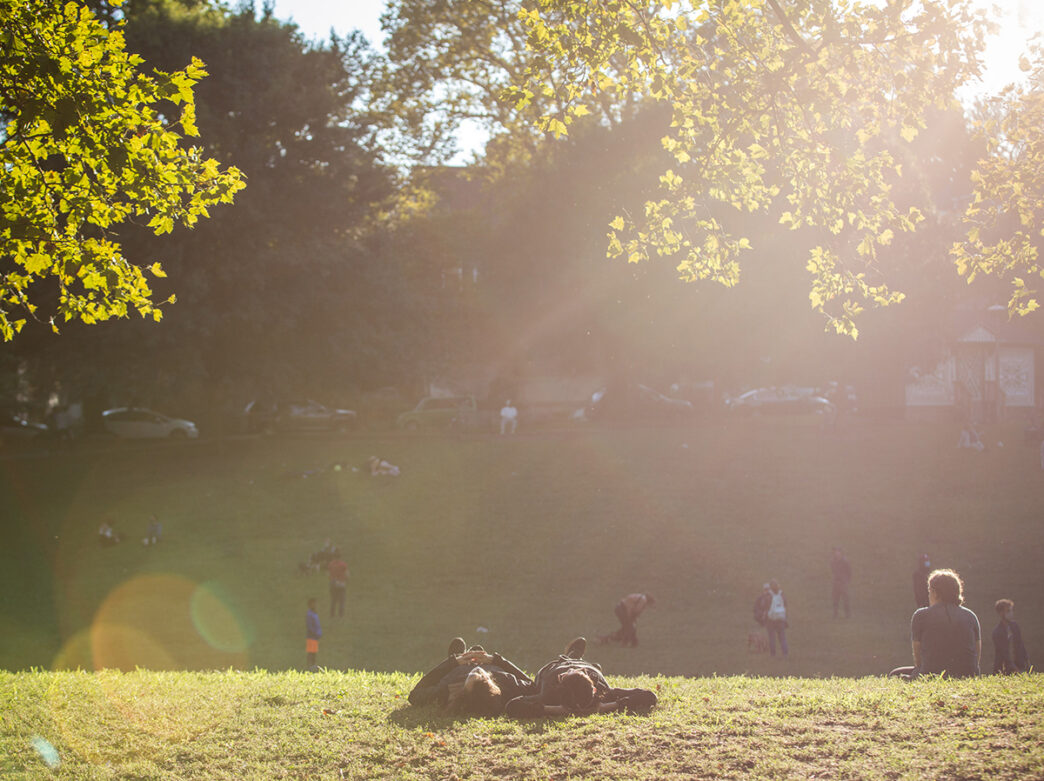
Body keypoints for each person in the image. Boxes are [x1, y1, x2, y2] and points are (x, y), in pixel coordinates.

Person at [503, 639, 657, 718]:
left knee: (572, 662)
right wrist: (611, 705)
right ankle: (575, 656)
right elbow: (649, 696)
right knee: (590, 665)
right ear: (594, 688)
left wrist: (556, 710)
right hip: (589, 666)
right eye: (579, 672)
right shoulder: (605, 691)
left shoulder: (549, 692)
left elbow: (512, 706)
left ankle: (572, 656)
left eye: (566, 676)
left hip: (552, 667)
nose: (577, 670)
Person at [408, 637, 541, 717]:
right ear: (490, 682)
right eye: (480, 674)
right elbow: (533, 687)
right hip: (490, 667)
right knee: (478, 649)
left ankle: (459, 655)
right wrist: (496, 660)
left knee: (462, 648)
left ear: (464, 688)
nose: (477, 668)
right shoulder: (505, 682)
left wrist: (453, 662)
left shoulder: (448, 688)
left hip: (457, 669)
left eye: (471, 676)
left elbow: (415, 695)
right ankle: (470, 657)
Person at [889, 568, 980, 680]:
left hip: (932, 675)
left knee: (895, 674)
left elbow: (919, 661)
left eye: (929, 591)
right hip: (968, 675)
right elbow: (976, 654)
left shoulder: (921, 615)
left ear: (935, 593)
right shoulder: (970, 616)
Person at [992, 599, 1029, 674]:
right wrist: (1014, 668)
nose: (1011, 613)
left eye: (1011, 610)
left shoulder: (1015, 626)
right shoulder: (997, 632)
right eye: (1008, 611)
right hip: (1003, 669)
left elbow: (1020, 645)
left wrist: (1027, 660)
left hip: (1019, 665)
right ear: (1001, 613)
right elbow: (1003, 653)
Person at [765, 580, 788, 657]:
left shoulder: (768, 595)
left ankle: (773, 654)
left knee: (772, 637)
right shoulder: (782, 595)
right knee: (782, 636)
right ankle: (785, 653)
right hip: (781, 618)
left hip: (771, 619)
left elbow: (766, 605)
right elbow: (785, 604)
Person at [831, 547, 851, 619]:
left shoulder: (845, 561)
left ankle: (847, 615)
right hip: (835, 582)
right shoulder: (833, 561)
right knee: (835, 599)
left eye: (838, 551)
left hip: (843, 583)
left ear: (841, 552)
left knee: (845, 599)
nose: (837, 553)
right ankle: (835, 614)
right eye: (835, 551)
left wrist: (846, 581)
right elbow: (832, 570)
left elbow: (849, 572)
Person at [328, 550, 349, 619]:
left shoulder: (330, 564)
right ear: (340, 557)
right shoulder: (343, 564)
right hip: (341, 584)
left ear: (334, 557)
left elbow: (329, 574)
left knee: (333, 600)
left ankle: (332, 615)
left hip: (333, 583)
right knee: (342, 600)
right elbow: (347, 574)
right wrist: (347, 580)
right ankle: (341, 615)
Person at [305, 597, 322, 671]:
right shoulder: (309, 614)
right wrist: (314, 633)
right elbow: (309, 625)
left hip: (315, 636)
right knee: (311, 652)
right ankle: (310, 666)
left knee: (314, 652)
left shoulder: (314, 613)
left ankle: (313, 665)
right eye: (313, 603)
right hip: (311, 636)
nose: (315, 605)